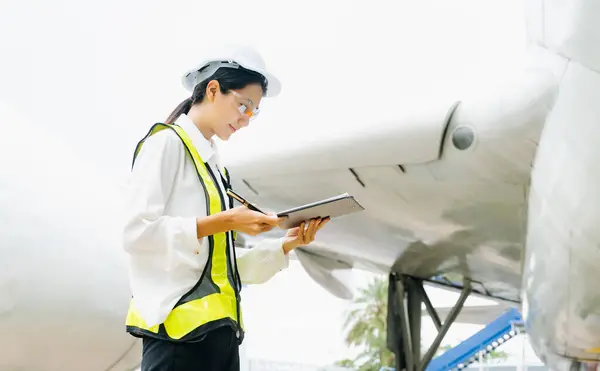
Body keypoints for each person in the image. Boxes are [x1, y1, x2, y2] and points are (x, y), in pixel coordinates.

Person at [122, 45, 329, 371]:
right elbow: (137, 233)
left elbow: (222, 268)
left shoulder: (216, 170)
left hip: (218, 338)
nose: (246, 120)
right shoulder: (166, 144)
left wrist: (287, 244)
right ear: (213, 89)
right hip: (176, 340)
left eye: (254, 111)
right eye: (243, 105)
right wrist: (224, 220)